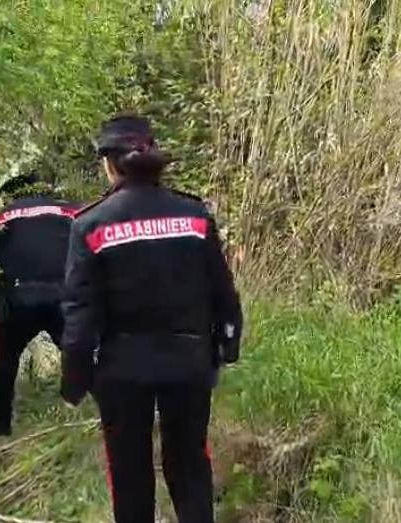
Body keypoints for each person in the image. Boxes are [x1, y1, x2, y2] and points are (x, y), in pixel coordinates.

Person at [60, 114, 243, 523]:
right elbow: (223, 290)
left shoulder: (90, 224)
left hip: (121, 372)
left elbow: (79, 314)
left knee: (129, 472)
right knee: (190, 464)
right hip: (189, 363)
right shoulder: (195, 216)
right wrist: (227, 345)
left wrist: (74, 378)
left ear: (109, 164)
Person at [0, 170, 79, 436]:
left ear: (11, 193)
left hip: (19, 299)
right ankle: (106, 411)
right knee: (79, 352)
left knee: (5, 358)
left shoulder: (1, 217)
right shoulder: (75, 211)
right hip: (68, 297)